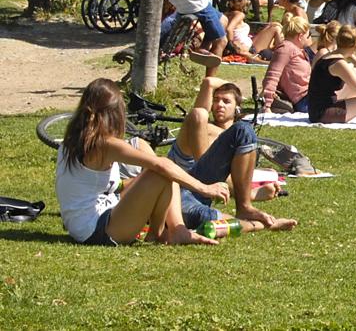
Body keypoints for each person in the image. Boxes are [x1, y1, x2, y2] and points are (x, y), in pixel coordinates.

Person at [54, 78, 228, 246]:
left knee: (161, 168)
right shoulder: (103, 144)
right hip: (98, 230)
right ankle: (163, 232)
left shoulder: (75, 139)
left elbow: (99, 187)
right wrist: (204, 188)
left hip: (87, 224)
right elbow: (161, 166)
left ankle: (170, 231)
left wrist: (143, 182)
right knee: (161, 170)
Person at [166, 77, 296, 233]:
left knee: (244, 130)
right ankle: (263, 223)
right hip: (182, 188)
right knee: (204, 217)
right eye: (216, 100)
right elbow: (207, 85)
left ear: (237, 108)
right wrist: (253, 193)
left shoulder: (240, 139)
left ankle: (245, 207)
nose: (219, 104)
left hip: (198, 195)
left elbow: (229, 174)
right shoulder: (201, 126)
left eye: (226, 101)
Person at [261, 14, 313, 113]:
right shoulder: (285, 49)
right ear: (300, 36)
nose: (309, 38)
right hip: (303, 100)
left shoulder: (296, 49)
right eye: (309, 35)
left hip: (307, 96)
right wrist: (267, 104)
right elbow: (272, 75)